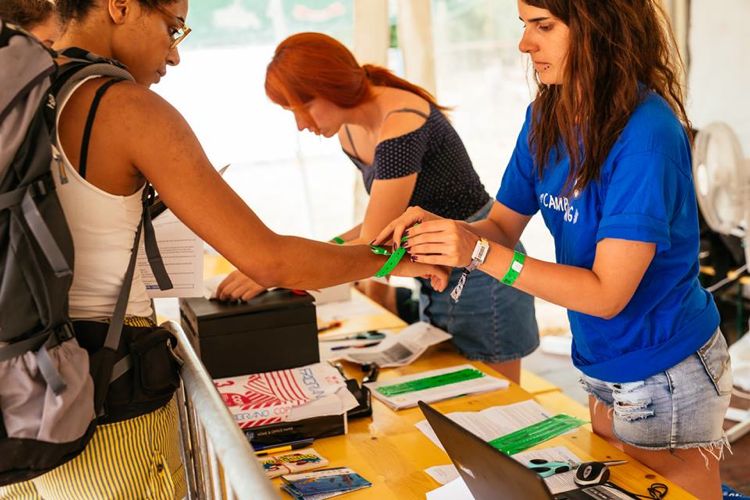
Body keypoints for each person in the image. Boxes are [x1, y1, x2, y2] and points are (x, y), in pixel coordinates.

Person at [0, 1, 447, 498]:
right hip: (106, 401)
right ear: (121, 7)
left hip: (16, 396)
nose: (174, 56)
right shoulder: (125, 107)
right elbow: (269, 259)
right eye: (172, 28)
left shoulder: (15, 94)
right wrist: (398, 258)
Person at [373, 1, 732, 498]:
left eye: (543, 26)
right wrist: (445, 239)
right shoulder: (547, 113)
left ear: (600, 28)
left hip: (663, 366)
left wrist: (477, 254)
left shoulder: (647, 135)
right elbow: (500, 223)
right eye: (524, 26)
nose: (525, 44)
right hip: (600, 355)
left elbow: (607, 294)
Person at [217, 32, 539, 383]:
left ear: (330, 85)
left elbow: (373, 242)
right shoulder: (349, 131)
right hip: (433, 261)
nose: (300, 124)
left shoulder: (402, 124)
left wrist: (277, 267)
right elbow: (381, 224)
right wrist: (290, 261)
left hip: (481, 267)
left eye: (303, 107)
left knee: (500, 402)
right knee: (457, 395)